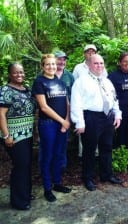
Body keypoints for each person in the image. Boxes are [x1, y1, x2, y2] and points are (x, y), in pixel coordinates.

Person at [71, 54, 123, 191]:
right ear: (89, 64)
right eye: (96, 63)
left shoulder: (106, 81)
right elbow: (76, 103)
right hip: (90, 118)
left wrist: (117, 115)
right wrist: (79, 123)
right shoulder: (81, 81)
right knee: (89, 150)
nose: (99, 66)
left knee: (106, 147)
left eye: (101, 63)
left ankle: (106, 175)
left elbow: (114, 99)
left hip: (107, 118)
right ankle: (87, 178)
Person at [32, 54, 72, 202]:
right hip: (48, 124)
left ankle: (57, 183)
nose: (51, 67)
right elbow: (43, 107)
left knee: (58, 155)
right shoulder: (39, 82)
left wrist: (66, 121)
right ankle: (47, 188)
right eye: (48, 64)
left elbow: (67, 102)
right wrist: (62, 121)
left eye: (53, 64)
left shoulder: (59, 82)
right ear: (42, 66)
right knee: (47, 156)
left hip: (62, 124)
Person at [0, 63, 35, 210]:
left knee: (26, 165)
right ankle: (18, 201)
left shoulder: (26, 90)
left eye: (21, 72)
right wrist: (7, 135)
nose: (19, 75)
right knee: (20, 165)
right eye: (15, 73)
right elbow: (1, 114)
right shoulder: (5, 90)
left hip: (27, 134)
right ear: (10, 74)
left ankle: (25, 193)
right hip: (13, 135)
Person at [108, 52, 128, 166]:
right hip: (119, 113)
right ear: (120, 63)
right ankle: (122, 157)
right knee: (121, 135)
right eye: (125, 61)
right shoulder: (113, 76)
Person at [72, 44, 104, 159]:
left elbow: (104, 83)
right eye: (88, 51)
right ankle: (82, 156)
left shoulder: (100, 66)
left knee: (99, 138)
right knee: (85, 137)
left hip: (99, 107)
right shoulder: (78, 68)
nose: (90, 53)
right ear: (84, 53)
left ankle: (96, 156)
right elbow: (75, 84)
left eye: (93, 51)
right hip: (85, 107)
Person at [54, 50, 74, 170]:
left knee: (64, 140)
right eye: (59, 59)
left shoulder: (69, 76)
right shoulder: (45, 75)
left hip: (66, 114)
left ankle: (62, 167)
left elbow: (75, 95)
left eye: (64, 59)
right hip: (49, 115)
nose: (62, 62)